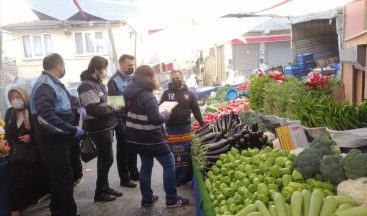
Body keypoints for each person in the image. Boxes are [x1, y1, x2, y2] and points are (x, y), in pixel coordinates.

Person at [123, 65, 189, 208]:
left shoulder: (130, 92)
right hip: (151, 138)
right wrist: (166, 113)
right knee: (169, 163)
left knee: (146, 164)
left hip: (135, 137)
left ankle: (146, 198)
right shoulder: (147, 95)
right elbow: (155, 119)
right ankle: (172, 199)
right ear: (148, 77)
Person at [30, 53, 84, 216]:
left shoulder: (54, 83)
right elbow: (45, 118)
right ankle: (68, 212)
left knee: (58, 177)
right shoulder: (45, 85)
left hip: (60, 141)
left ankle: (57, 211)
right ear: (58, 66)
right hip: (52, 141)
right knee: (63, 178)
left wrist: (76, 110)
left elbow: (62, 105)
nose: (64, 68)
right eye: (63, 65)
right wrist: (71, 130)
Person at [77, 56, 122, 202]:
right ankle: (100, 192)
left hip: (106, 125)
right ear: (97, 69)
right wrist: (113, 108)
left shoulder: (98, 83)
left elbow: (103, 101)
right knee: (107, 159)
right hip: (98, 127)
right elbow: (93, 109)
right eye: (105, 67)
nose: (106, 70)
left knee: (106, 159)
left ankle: (104, 187)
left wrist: (116, 102)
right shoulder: (86, 85)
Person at [0, 87, 48, 216]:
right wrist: (5, 141)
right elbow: (9, 133)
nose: (15, 100)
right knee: (14, 183)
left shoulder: (33, 111)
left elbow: (42, 131)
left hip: (34, 156)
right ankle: (15, 211)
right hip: (16, 156)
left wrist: (30, 138)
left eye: (18, 97)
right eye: (12, 98)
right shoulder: (10, 112)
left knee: (35, 183)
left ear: (25, 96)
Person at [159, 70, 205, 186]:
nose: (176, 80)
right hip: (171, 130)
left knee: (185, 154)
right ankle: (175, 179)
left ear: (182, 77)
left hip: (185, 129)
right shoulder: (166, 93)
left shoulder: (189, 94)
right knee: (174, 154)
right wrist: (160, 126)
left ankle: (185, 178)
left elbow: (195, 109)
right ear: (170, 79)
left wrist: (202, 123)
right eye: (173, 79)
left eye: (177, 78)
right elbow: (160, 109)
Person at [107, 54, 139, 188]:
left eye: (133, 65)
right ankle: (124, 178)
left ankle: (134, 172)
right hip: (122, 120)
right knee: (123, 149)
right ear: (121, 65)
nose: (132, 67)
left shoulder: (132, 79)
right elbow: (115, 106)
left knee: (133, 147)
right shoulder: (113, 82)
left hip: (133, 119)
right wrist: (120, 125)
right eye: (129, 65)